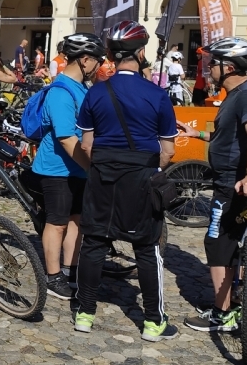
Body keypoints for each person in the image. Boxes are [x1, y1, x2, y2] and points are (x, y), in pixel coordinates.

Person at [74, 21, 178, 341]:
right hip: (141, 176)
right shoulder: (157, 95)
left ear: (110, 55)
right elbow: (168, 150)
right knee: (146, 248)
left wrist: (108, 163)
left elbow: (86, 146)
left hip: (102, 175)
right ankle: (152, 322)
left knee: (93, 243)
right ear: (142, 52)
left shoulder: (95, 94)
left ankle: (85, 314)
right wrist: (146, 168)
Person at [184, 38, 247, 333]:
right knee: (235, 240)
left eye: (213, 63)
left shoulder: (246, 96)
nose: (208, 68)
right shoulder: (237, 93)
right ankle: (238, 298)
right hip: (235, 179)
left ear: (229, 66)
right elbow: (228, 139)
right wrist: (196, 133)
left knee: (216, 243)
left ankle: (222, 313)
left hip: (236, 183)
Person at [31, 33, 105, 301]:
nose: (100, 65)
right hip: (57, 170)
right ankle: (53, 276)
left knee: (77, 221)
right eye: (98, 60)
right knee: (58, 221)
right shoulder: (61, 91)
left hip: (78, 169)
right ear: (84, 60)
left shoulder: (82, 88)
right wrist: (91, 167)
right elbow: (66, 138)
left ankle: (70, 268)